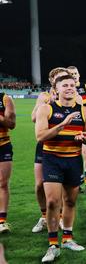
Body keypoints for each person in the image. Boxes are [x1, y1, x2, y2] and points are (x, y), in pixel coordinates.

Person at [35, 73, 86, 262]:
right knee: (53, 202)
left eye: (72, 85)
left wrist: (83, 138)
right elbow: (41, 136)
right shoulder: (46, 109)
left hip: (73, 160)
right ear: (57, 89)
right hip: (52, 159)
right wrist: (63, 124)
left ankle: (68, 238)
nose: (69, 88)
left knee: (70, 201)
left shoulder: (85, 111)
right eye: (65, 85)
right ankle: (53, 244)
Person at [30, 67, 77, 233]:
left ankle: (63, 218)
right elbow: (33, 118)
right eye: (58, 77)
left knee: (64, 188)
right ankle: (44, 216)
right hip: (45, 143)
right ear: (53, 81)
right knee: (39, 184)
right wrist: (47, 104)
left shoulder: (73, 95)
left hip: (66, 144)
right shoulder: (44, 96)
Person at [67, 66, 86, 195]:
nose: (74, 75)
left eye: (75, 73)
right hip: (70, 124)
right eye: (71, 73)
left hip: (84, 123)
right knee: (72, 154)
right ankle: (76, 182)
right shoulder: (66, 88)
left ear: (79, 74)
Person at [0, 92, 16, 233]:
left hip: (3, 145)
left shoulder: (5, 99)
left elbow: (11, 124)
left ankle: (2, 221)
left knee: (3, 183)